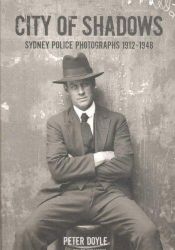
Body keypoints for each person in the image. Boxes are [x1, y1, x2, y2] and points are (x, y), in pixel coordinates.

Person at [13, 53, 163, 250]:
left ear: (93, 84)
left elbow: (125, 166)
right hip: (68, 196)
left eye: (84, 84)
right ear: (67, 90)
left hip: (108, 195)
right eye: (74, 87)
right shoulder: (56, 124)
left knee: (148, 232)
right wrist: (101, 157)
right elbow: (58, 169)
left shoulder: (116, 120)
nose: (81, 91)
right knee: (25, 233)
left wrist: (74, 166)